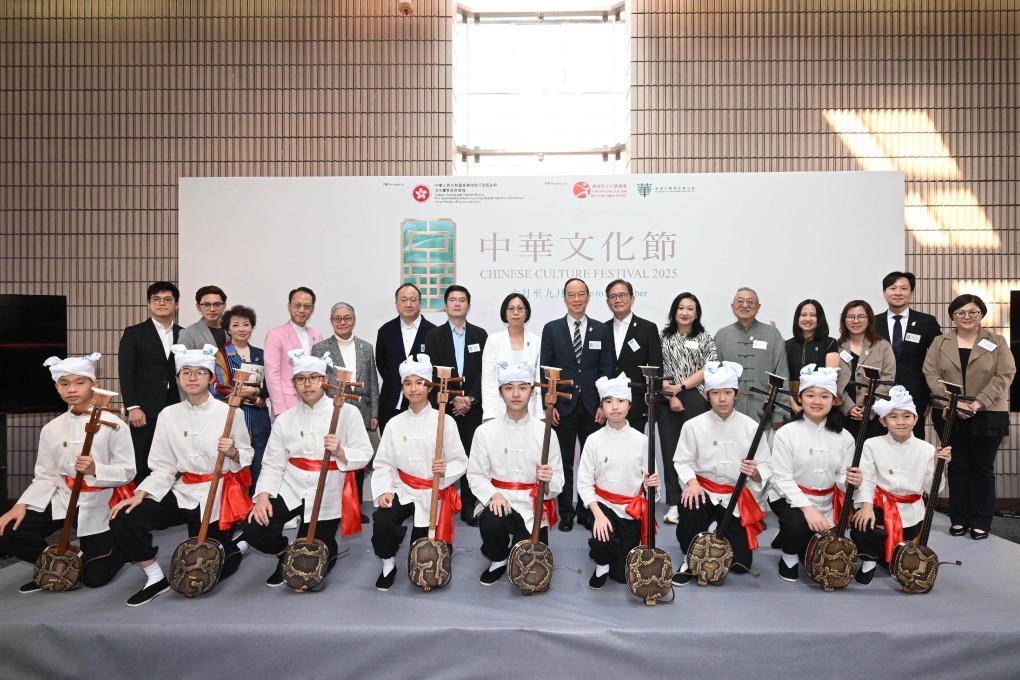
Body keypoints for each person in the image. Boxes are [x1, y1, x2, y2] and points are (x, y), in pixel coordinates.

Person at [109, 344, 254, 607]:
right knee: (124, 517)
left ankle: (236, 548)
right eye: (186, 372)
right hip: (184, 490)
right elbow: (163, 465)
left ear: (211, 377)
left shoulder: (231, 412)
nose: (192, 378)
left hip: (216, 494)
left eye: (200, 372)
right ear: (177, 378)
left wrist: (232, 451)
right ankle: (155, 576)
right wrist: (140, 494)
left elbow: (247, 455)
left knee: (208, 570)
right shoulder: (168, 415)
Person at [0, 354, 135, 593]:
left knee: (94, 578)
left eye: (79, 382)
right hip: (64, 496)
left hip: (98, 500)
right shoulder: (51, 429)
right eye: (64, 383)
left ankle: (120, 550)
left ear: (95, 385)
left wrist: (95, 469)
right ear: (57, 387)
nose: (71, 389)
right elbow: (45, 475)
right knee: (8, 531)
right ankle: (54, 565)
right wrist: (21, 505)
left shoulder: (114, 424)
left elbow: (127, 472)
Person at [242, 349, 373, 587]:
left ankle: (325, 548)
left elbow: (365, 454)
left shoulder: (347, 412)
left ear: (325, 380)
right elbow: (272, 463)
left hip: (328, 488)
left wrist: (340, 451)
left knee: (310, 563)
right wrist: (262, 497)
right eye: (300, 379)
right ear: (293, 384)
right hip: (291, 485)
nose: (307, 384)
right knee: (254, 527)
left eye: (313, 377)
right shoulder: (285, 418)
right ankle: (284, 554)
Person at [369, 355, 468, 591]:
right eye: (408, 383)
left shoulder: (445, 421)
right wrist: (384, 490)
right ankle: (388, 563)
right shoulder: (394, 423)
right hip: (403, 487)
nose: (414, 389)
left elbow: (460, 460)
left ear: (430, 386)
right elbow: (383, 463)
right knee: (382, 522)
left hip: (433, 491)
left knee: (425, 551)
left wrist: (445, 469)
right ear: (402, 387)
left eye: (420, 382)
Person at [923, 294, 1015, 540]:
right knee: (957, 466)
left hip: (987, 412)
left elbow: (1005, 374)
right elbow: (930, 374)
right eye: (960, 312)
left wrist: (977, 402)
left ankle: (981, 521)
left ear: (981, 314)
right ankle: (958, 519)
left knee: (982, 468)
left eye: (973, 312)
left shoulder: (997, 341)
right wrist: (954, 403)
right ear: (952, 316)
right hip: (949, 412)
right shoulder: (939, 342)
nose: (967, 317)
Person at [671, 361, 772, 585]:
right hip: (703, 490)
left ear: (736, 394)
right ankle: (689, 558)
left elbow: (766, 466)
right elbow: (682, 461)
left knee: (740, 565)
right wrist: (692, 483)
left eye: (728, 392)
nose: (722, 399)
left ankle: (716, 530)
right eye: (716, 393)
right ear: (707, 395)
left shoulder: (751, 427)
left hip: (734, 496)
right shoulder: (693, 425)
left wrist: (755, 473)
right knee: (690, 504)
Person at [467, 361, 563, 586]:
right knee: (492, 523)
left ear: (532, 391)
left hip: (532, 504)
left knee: (531, 572)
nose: (516, 394)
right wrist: (494, 495)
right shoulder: (484, 431)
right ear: (500, 392)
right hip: (501, 500)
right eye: (509, 388)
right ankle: (498, 559)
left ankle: (515, 551)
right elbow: (476, 474)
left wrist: (547, 481)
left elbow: (559, 478)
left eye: (523, 387)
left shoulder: (546, 432)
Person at [850, 386, 951, 585]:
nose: (901, 422)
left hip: (911, 511)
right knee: (861, 524)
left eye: (906, 416)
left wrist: (939, 465)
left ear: (916, 419)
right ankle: (869, 561)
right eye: (893, 417)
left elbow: (932, 489)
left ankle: (887, 553)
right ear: (883, 421)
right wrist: (866, 506)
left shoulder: (927, 449)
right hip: (880, 504)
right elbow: (867, 478)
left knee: (901, 559)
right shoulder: (872, 444)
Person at [768, 364, 858, 582]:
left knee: (826, 550)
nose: (817, 401)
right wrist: (807, 509)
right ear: (800, 398)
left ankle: (790, 535)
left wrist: (851, 482)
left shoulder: (845, 437)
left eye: (824, 396)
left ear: (834, 400)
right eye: (810, 395)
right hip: (787, 497)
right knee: (797, 524)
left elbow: (842, 479)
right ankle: (788, 557)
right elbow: (781, 479)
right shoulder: (786, 433)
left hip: (828, 499)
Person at [539, 278, 615, 532]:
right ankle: (566, 512)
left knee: (591, 462)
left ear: (588, 297)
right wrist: (550, 404)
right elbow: (546, 370)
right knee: (564, 462)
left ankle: (586, 510)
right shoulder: (552, 329)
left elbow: (606, 368)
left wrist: (604, 404)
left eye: (581, 294)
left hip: (593, 406)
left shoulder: (601, 330)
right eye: (571, 294)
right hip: (563, 406)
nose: (576, 299)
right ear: (565, 298)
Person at [578, 373, 659, 590]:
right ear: (602, 407)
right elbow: (584, 482)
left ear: (629, 405)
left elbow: (652, 488)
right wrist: (598, 515)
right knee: (602, 540)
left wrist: (652, 484)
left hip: (630, 509)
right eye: (608, 401)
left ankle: (612, 556)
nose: (614, 407)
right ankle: (601, 563)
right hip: (602, 505)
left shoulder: (642, 441)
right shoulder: (593, 440)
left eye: (620, 401)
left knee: (622, 576)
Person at [424, 285, 487, 525]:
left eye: (462, 300)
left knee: (471, 457)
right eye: (453, 300)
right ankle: (441, 505)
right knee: (444, 456)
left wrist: (470, 399)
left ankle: (468, 508)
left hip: (473, 408)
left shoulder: (480, 335)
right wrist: (453, 399)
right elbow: (431, 372)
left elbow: (484, 372)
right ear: (445, 305)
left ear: (468, 306)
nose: (457, 304)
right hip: (444, 406)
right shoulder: (434, 335)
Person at [312, 301, 380, 521]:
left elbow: (373, 381)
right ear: (331, 321)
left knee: (358, 460)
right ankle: (334, 508)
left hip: (362, 411)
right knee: (336, 460)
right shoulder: (320, 349)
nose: (342, 322)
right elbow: (318, 383)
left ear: (354, 320)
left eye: (347, 318)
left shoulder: (366, 347)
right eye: (337, 318)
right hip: (333, 412)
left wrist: (374, 413)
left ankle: (355, 508)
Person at [656, 292, 717, 525]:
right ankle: (675, 502)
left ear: (697, 313)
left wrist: (680, 387)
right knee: (671, 451)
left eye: (690, 308)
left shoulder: (704, 338)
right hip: (666, 397)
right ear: (674, 311)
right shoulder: (662, 338)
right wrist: (670, 393)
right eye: (681, 308)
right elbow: (658, 367)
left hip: (695, 396)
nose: (685, 312)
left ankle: (697, 499)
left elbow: (709, 368)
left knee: (696, 452)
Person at [118, 281, 182, 484]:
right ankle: (141, 498)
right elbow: (126, 373)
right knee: (142, 459)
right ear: (148, 304)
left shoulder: (184, 334)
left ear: (176, 304)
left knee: (174, 457)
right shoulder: (134, 333)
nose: (162, 303)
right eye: (156, 299)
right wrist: (133, 407)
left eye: (167, 299)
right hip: (144, 409)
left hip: (176, 405)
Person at [876, 272, 942, 439]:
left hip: (915, 395)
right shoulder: (873, 323)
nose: (898, 293)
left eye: (904, 288)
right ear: (884, 293)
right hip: (879, 394)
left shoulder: (926, 322)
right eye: (892, 288)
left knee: (914, 441)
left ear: (911, 293)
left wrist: (930, 397)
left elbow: (938, 360)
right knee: (879, 442)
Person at [713, 287, 789, 428]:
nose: (745, 305)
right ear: (732, 306)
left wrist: (779, 413)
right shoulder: (722, 335)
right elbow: (713, 377)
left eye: (750, 301)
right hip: (728, 412)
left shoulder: (772, 334)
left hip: (764, 412)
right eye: (740, 301)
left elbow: (781, 374)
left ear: (758, 307)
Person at [213, 304, 271, 488]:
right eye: (236, 325)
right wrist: (248, 394)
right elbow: (217, 387)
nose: (241, 329)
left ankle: (257, 498)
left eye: (246, 324)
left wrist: (258, 394)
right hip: (233, 413)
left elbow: (270, 384)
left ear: (252, 327)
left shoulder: (260, 354)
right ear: (228, 329)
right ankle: (237, 500)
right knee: (236, 457)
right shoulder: (221, 354)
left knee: (261, 458)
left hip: (258, 415)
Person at [603, 279, 663, 433]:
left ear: (632, 298)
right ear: (608, 302)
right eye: (613, 296)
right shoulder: (601, 329)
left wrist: (652, 404)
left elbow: (656, 368)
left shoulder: (648, 328)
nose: (618, 300)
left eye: (622, 295)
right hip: (607, 404)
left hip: (637, 404)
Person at [375, 283, 436, 432]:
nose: (408, 304)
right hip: (391, 405)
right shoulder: (385, 331)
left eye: (413, 300)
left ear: (420, 303)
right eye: (403, 300)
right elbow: (382, 364)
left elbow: (435, 369)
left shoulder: (433, 332)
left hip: (422, 407)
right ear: (396, 303)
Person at [836, 300, 896, 439]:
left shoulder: (883, 346)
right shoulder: (836, 347)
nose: (856, 321)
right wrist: (848, 407)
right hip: (842, 415)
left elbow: (888, 379)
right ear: (844, 320)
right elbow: (833, 380)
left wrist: (869, 408)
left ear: (869, 320)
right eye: (851, 317)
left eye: (861, 316)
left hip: (875, 415)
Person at [480, 293, 542, 422]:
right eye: (511, 308)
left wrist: (540, 414)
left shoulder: (536, 341)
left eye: (520, 308)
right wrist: (489, 414)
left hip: (530, 409)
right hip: (499, 408)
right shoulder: (493, 340)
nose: (516, 312)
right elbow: (487, 380)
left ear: (526, 313)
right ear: (505, 313)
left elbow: (539, 380)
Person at [264, 287, 324, 420]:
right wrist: (280, 409)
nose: (302, 310)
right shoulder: (275, 334)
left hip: (313, 402)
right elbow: (272, 374)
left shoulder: (317, 335)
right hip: (287, 402)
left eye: (307, 306)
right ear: (289, 306)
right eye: (297, 305)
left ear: (312, 309)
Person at [784, 299, 839, 412]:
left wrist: (813, 404)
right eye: (803, 315)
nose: (808, 319)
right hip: (791, 403)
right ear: (797, 318)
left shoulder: (830, 343)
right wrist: (794, 406)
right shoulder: (786, 345)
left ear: (820, 318)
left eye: (813, 315)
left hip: (821, 404)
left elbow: (830, 379)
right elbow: (782, 379)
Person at [178, 285, 228, 350]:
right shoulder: (187, 334)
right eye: (206, 305)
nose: (212, 309)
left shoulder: (232, 330)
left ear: (224, 306)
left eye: (217, 304)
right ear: (198, 307)